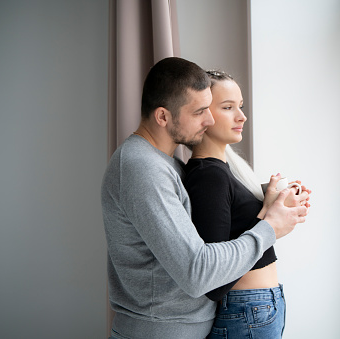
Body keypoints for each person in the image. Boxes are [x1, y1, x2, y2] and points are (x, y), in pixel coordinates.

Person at [101, 57, 309, 339]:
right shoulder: (143, 168)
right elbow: (197, 273)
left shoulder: (163, 163)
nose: (209, 120)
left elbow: (205, 208)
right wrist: (270, 227)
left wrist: (264, 199)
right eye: (200, 111)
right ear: (163, 117)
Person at [183, 69, 311, 338]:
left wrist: (273, 201)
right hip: (248, 310)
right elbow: (215, 281)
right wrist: (269, 218)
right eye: (228, 107)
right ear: (202, 114)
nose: (242, 116)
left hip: (255, 309)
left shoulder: (222, 171)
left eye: (239, 106)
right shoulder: (209, 176)